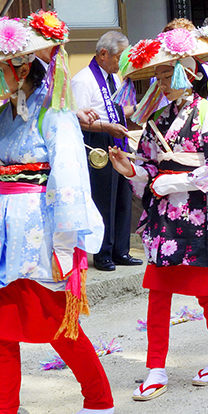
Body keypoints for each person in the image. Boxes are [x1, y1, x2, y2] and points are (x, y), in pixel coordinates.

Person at [0, 12, 113, 414]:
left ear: (21, 67)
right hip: (3, 236)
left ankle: (99, 401)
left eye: (0, 68)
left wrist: (67, 241)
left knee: (59, 326)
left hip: (43, 234)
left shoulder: (56, 117)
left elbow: (71, 180)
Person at [108, 27, 208, 401]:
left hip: (199, 210)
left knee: (207, 289)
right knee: (158, 291)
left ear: (189, 71)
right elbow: (149, 167)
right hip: (165, 214)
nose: (163, 83)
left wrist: (178, 182)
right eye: (159, 76)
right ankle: (155, 366)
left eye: (169, 74)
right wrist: (130, 171)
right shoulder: (156, 120)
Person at [72, 31, 141, 272]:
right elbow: (77, 119)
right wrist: (105, 126)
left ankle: (120, 250)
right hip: (97, 141)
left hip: (116, 137)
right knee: (103, 199)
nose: (122, 63)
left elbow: (121, 112)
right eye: (119, 57)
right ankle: (102, 254)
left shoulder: (115, 78)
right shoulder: (83, 79)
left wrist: (146, 106)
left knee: (123, 196)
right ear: (104, 54)